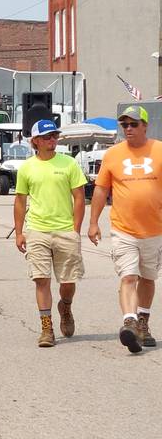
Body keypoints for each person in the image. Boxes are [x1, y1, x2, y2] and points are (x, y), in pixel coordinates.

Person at [88, 105, 162, 353]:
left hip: (154, 229)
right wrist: (93, 222)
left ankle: (143, 323)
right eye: (125, 125)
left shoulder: (160, 150)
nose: (128, 129)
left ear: (144, 126)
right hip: (123, 229)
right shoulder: (113, 154)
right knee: (129, 276)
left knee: (148, 278)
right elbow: (101, 189)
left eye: (133, 124)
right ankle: (129, 322)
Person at [14, 119, 88, 348]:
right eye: (46, 137)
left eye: (54, 136)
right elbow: (19, 201)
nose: (52, 141)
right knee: (41, 279)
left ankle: (65, 306)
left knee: (68, 281)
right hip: (37, 230)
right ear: (35, 141)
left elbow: (79, 197)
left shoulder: (69, 163)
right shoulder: (27, 167)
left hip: (65, 230)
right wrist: (19, 232)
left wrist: (76, 230)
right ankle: (47, 328)